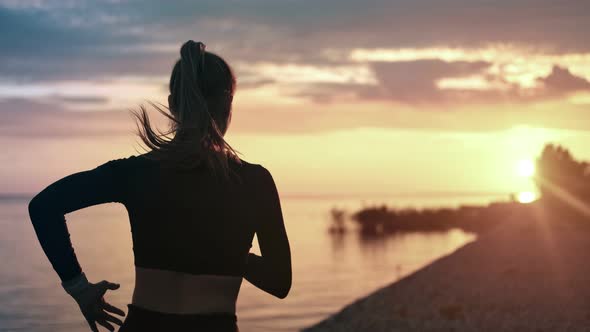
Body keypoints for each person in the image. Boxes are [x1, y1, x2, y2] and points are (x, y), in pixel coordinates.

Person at [27, 40, 292, 332]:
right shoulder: (254, 182)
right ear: (228, 104)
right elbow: (279, 282)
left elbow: (43, 206)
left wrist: (79, 288)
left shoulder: (136, 172)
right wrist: (231, 253)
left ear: (172, 104)